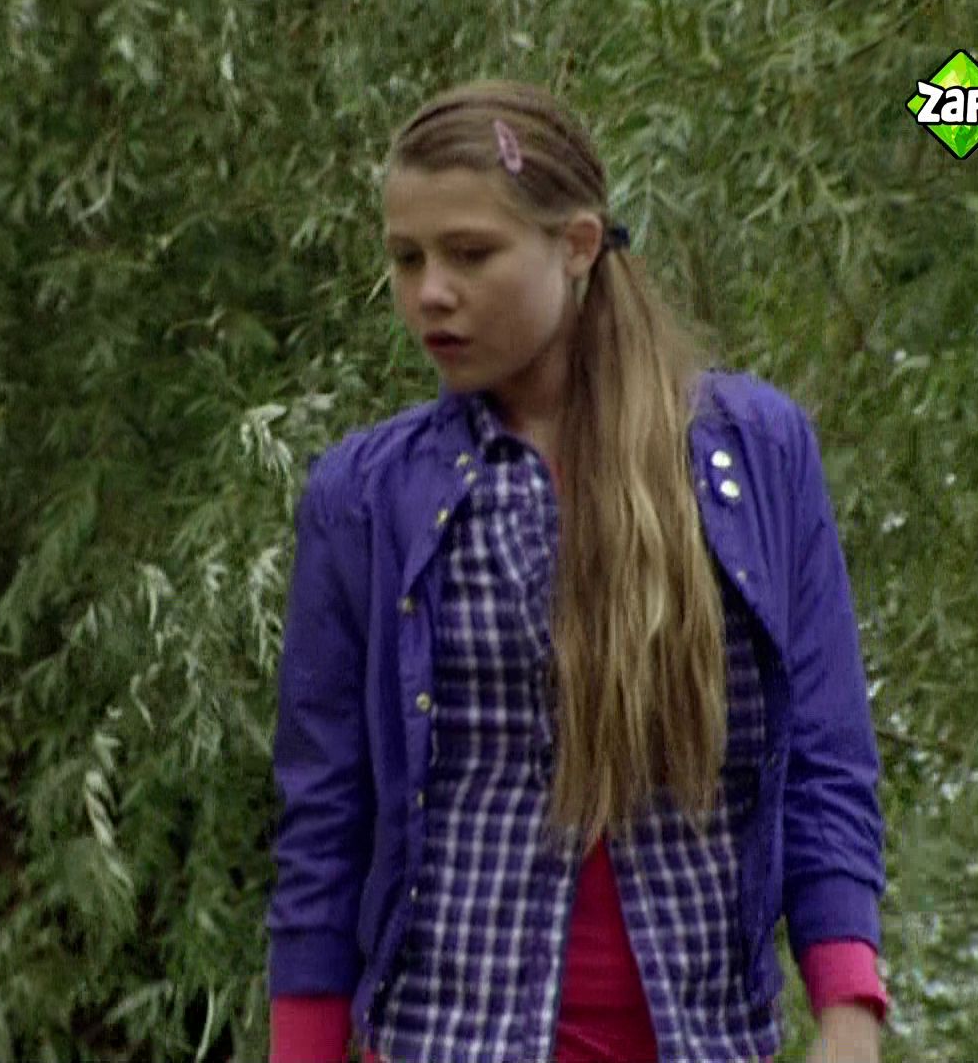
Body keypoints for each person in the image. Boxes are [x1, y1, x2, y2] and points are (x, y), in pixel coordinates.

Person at [265, 82, 889, 1063]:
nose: (430, 292)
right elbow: (324, 824)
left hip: (706, 1040)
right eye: (407, 258)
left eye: (470, 254)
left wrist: (849, 1009)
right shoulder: (365, 496)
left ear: (578, 245)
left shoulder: (757, 454)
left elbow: (824, 752)